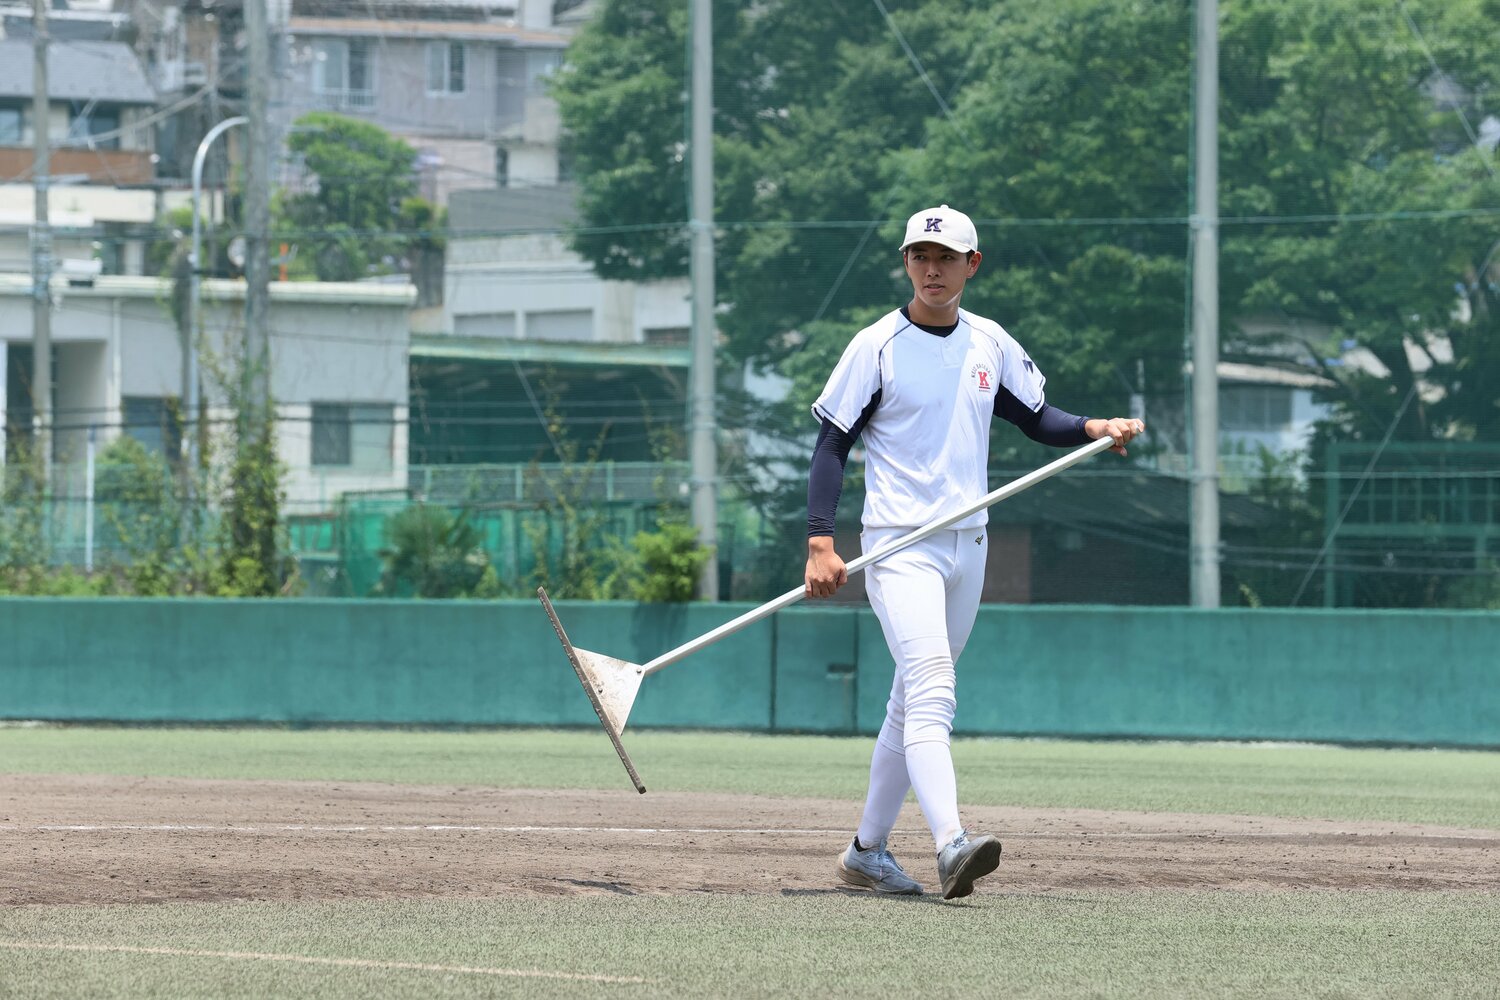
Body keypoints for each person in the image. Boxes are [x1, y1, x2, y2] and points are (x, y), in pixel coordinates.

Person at [805, 204, 1144, 899]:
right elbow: (832, 444)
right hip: (899, 545)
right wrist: (820, 541)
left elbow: (1034, 417)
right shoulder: (875, 346)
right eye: (920, 256)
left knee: (911, 701)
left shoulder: (989, 341)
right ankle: (950, 843)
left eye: (946, 258)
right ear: (906, 263)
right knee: (933, 686)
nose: (932, 269)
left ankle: (865, 852)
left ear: (972, 265)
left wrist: (1093, 426)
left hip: (969, 544)